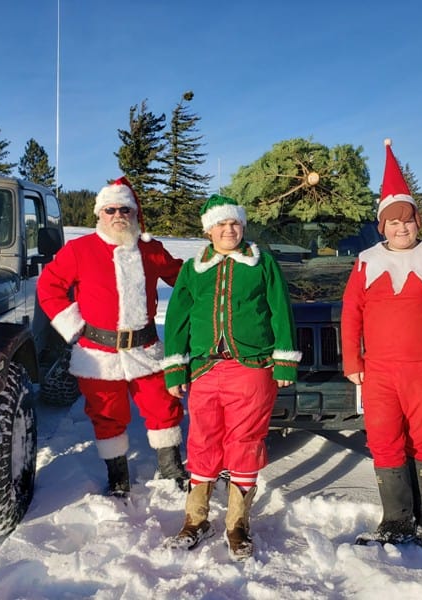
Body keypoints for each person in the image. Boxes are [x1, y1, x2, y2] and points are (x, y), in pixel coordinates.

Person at [341, 139, 422, 547]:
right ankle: (395, 519)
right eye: (393, 222)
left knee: (420, 437)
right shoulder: (366, 261)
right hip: (379, 368)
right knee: (383, 438)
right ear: (383, 225)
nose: (402, 228)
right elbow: (351, 313)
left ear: (419, 222)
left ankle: (420, 516)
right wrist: (351, 361)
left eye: (408, 221)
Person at [162, 194, 300, 561]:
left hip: (252, 367)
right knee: (203, 441)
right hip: (205, 369)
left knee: (245, 441)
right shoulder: (194, 269)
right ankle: (195, 520)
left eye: (235, 223)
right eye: (221, 225)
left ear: (243, 226)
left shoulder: (262, 263)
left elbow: (280, 311)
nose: (229, 230)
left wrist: (284, 360)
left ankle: (237, 524)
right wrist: (175, 367)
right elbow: (177, 318)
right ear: (208, 230)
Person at [37, 176, 188, 497]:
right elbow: (48, 287)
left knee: (164, 405)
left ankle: (171, 467)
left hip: (145, 349)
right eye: (110, 210)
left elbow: (184, 279)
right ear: (99, 214)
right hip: (98, 353)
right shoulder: (79, 250)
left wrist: (218, 270)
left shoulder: (150, 249)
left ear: (134, 213)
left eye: (124, 209)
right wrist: (74, 327)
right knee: (107, 414)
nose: (118, 215)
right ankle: (117, 475)